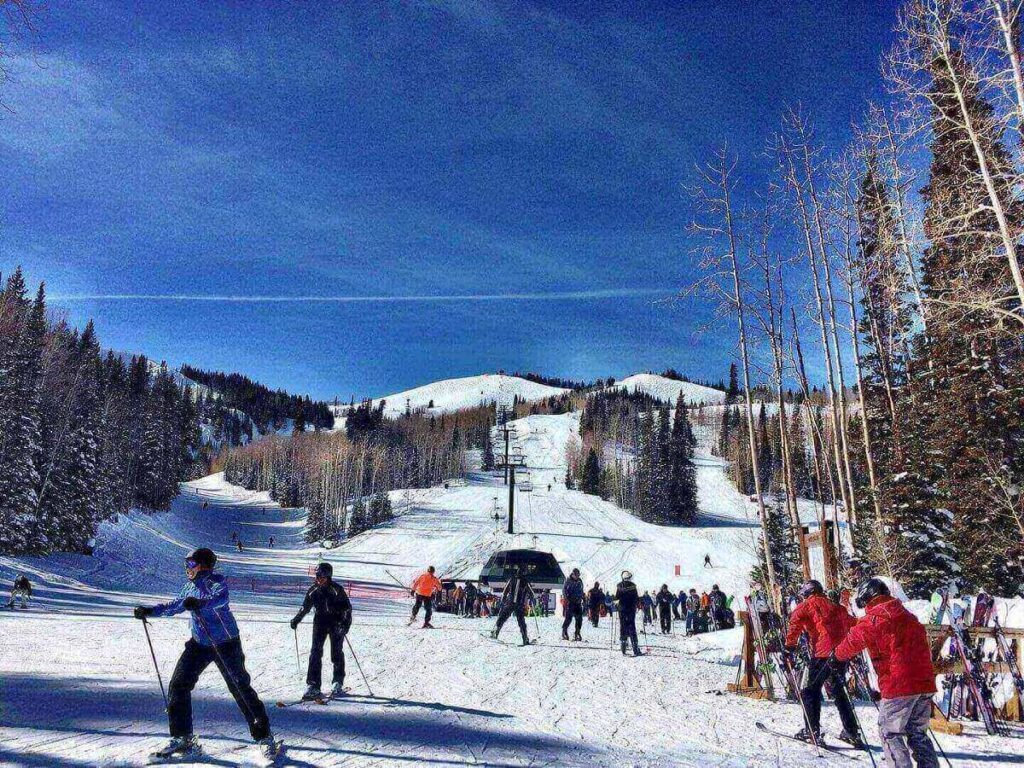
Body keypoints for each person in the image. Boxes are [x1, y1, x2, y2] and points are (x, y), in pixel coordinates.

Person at [133, 548, 277, 763]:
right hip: (199, 643)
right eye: (186, 564)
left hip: (225, 643)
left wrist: (200, 603)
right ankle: (182, 737)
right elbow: (175, 605)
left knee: (239, 687)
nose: (187, 568)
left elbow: (220, 598)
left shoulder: (216, 581)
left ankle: (264, 738)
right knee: (179, 684)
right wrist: (149, 611)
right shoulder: (189, 586)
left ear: (204, 565)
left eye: (191, 564)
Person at [835, 578, 938, 768]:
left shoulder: (875, 617)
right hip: (924, 684)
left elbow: (852, 642)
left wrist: (836, 656)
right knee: (917, 733)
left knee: (890, 732)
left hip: (899, 686)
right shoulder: (908, 615)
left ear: (868, 598)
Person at [783, 579, 860, 747]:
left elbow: (795, 622)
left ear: (807, 593)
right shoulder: (835, 606)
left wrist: (789, 646)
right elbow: (851, 622)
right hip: (840, 654)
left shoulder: (807, 605)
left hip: (822, 655)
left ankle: (812, 731)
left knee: (810, 691)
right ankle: (852, 731)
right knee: (839, 691)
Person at [290, 562, 352, 700]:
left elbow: (347, 609)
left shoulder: (337, 590)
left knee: (336, 653)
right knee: (315, 653)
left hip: (336, 623)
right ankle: (313, 685)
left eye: (322, 576)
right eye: (317, 576)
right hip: (320, 623)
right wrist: (296, 619)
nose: (319, 579)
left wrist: (345, 625)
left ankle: (337, 682)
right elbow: (304, 607)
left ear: (329, 576)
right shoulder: (313, 590)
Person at [490, 566, 534, 646]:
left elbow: (505, 590)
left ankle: (496, 631)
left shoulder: (512, 579)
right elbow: (531, 592)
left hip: (510, 603)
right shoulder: (525, 581)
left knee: (502, 617)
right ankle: (525, 638)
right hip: (519, 604)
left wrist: (503, 598)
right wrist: (532, 598)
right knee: (521, 621)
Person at [614, 571, 642, 656]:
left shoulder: (619, 586)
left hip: (622, 609)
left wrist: (615, 605)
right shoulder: (633, 586)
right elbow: (636, 598)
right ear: (629, 577)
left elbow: (616, 598)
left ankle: (623, 647)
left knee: (623, 626)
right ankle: (635, 648)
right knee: (631, 626)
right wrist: (639, 603)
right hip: (631, 609)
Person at [561, 568, 585, 641]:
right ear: (573, 574)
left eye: (578, 575)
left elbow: (581, 590)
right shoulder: (568, 581)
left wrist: (583, 597)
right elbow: (564, 591)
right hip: (570, 602)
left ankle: (577, 632)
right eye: (576, 575)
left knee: (579, 618)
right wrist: (567, 598)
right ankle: (564, 631)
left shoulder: (580, 581)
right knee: (569, 618)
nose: (577, 576)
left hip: (578, 602)